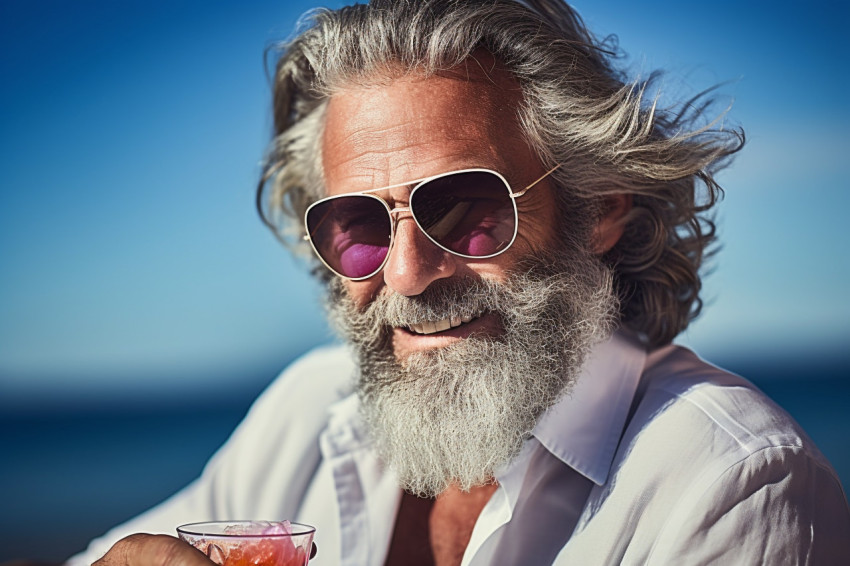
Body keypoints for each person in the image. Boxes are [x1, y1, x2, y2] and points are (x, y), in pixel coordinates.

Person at [72, 1, 849, 564]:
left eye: (467, 209)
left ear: (602, 209)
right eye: (359, 225)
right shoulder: (309, 412)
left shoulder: (732, 484)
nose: (407, 274)